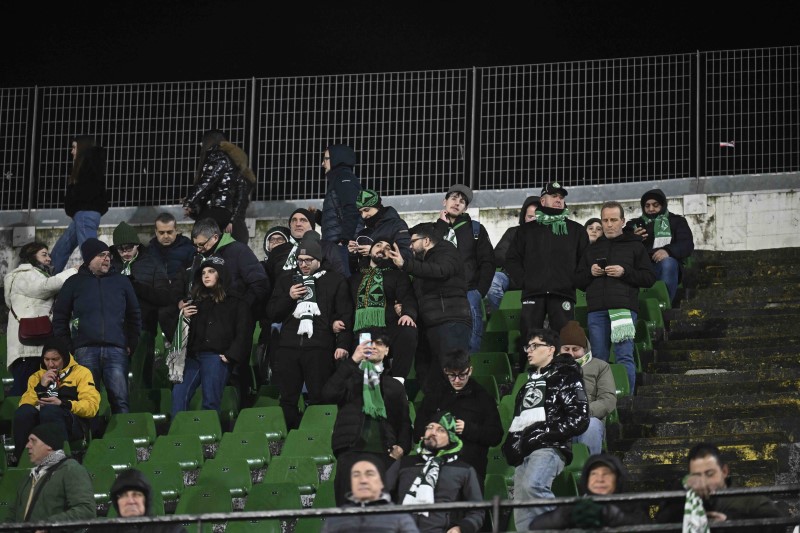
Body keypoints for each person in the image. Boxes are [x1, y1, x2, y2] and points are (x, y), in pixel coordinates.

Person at [502, 328, 589, 530]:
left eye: (535, 346)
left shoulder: (568, 377)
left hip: (549, 447)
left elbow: (579, 418)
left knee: (534, 486)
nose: (529, 351)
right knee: (522, 510)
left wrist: (543, 433)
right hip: (523, 450)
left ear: (551, 349)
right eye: (528, 346)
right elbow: (519, 420)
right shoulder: (526, 385)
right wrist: (511, 444)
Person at [266, 233, 353, 429]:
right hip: (289, 347)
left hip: (319, 347)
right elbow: (272, 313)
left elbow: (344, 315)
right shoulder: (287, 280)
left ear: (318, 259)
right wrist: (289, 297)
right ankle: (290, 438)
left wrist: (342, 344)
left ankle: (319, 437)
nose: (303, 264)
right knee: (287, 398)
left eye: (308, 260)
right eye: (300, 260)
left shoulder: (334, 280)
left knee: (320, 397)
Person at [505, 182, 589, 370]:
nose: (558, 200)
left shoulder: (576, 230)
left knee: (564, 338)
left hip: (563, 293)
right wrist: (525, 281)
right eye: (554, 196)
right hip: (533, 293)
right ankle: (527, 375)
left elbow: (585, 260)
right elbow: (511, 259)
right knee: (530, 338)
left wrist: (573, 281)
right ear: (543, 201)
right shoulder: (526, 230)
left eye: (561, 197)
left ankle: (564, 374)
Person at [321, 331, 412, 505]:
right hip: (350, 451)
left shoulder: (394, 385)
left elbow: (404, 422)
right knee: (348, 510)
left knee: (381, 512)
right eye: (370, 343)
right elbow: (327, 394)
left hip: (385, 455)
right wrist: (353, 361)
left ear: (387, 351)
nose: (374, 347)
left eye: (379, 344)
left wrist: (402, 448)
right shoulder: (349, 379)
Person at [52, 238, 141, 414]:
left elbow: (134, 314)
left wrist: (131, 342)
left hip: (116, 350)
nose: (107, 258)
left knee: (121, 402)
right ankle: (91, 432)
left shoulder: (121, 281)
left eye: (108, 255)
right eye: (101, 255)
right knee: (86, 401)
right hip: (84, 351)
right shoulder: (73, 282)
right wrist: (69, 347)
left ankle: (120, 432)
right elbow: (60, 317)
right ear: (89, 258)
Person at [575, 201, 656, 393]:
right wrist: (590, 272)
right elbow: (578, 280)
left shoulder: (635, 246)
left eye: (613, 220)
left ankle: (627, 399)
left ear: (623, 221)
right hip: (597, 310)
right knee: (598, 358)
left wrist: (624, 272)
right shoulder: (591, 248)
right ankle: (601, 400)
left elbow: (649, 278)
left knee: (624, 356)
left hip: (623, 308)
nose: (609, 224)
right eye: (605, 220)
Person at [386, 222, 471, 386]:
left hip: (450, 321)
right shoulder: (420, 265)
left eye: (413, 242)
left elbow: (441, 270)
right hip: (429, 325)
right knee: (428, 376)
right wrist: (406, 311)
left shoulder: (446, 250)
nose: (410, 247)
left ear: (426, 241)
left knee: (452, 371)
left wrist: (405, 265)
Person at [414, 349, 503, 490]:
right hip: (436, 468)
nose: (457, 380)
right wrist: (434, 431)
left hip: (470, 469)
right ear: (445, 371)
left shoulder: (483, 398)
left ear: (470, 370)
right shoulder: (434, 395)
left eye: (462, 375)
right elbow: (418, 431)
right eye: (452, 375)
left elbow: (496, 435)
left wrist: (468, 429)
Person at [171, 258, 251, 416]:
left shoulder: (236, 301)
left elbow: (244, 331)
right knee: (178, 395)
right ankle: (178, 430)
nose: (206, 276)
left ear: (221, 274)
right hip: (193, 357)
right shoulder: (195, 301)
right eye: (203, 273)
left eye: (211, 271)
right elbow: (177, 330)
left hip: (216, 357)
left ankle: (209, 432)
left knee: (210, 401)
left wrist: (231, 355)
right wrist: (183, 317)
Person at [386, 411, 485, 533]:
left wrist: (461, 528)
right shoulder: (405, 463)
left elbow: (477, 511)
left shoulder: (464, 470)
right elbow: (380, 496)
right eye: (430, 427)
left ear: (451, 438)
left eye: (441, 430)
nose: (433, 432)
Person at [656, 443, 789, 532]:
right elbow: (661, 524)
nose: (703, 481)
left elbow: (778, 527)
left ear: (724, 471)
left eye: (710, 474)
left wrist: (730, 523)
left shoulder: (749, 499)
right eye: (697, 476)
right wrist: (682, 486)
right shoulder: (686, 501)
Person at [4, 242, 78, 396]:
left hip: (34, 348)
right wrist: (73, 271)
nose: (49, 258)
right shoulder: (23, 274)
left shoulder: (36, 274)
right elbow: (44, 287)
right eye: (44, 255)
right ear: (31, 257)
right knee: (24, 391)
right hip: (26, 352)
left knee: (38, 392)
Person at [13, 338, 100, 462]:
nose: (50, 364)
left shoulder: (82, 373)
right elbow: (24, 404)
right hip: (42, 421)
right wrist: (41, 386)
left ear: (64, 357)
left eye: (55, 359)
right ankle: (20, 459)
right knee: (24, 413)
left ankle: (58, 461)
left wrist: (63, 404)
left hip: (71, 421)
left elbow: (91, 407)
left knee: (50, 411)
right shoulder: (36, 377)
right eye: (46, 359)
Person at [434, 184, 495, 353]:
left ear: (465, 208)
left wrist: (479, 291)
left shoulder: (475, 229)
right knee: (442, 342)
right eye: (453, 198)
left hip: (468, 292)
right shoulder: (433, 230)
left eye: (462, 202)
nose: (457, 203)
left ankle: (468, 367)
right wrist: (440, 225)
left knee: (471, 341)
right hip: (440, 294)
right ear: (444, 202)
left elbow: (488, 262)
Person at [349, 238, 418, 380]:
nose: (382, 249)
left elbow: (407, 297)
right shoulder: (355, 278)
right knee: (370, 381)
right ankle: (371, 387)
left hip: (389, 327)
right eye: (378, 245)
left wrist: (407, 314)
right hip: (364, 331)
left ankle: (398, 381)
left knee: (408, 330)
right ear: (370, 251)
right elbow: (346, 306)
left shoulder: (398, 275)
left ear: (391, 255)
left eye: (387, 248)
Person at [8, 422, 96, 525]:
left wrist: (48, 525)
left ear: (49, 445)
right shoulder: (30, 476)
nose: (27, 445)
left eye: (33, 441)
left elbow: (86, 511)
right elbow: (13, 514)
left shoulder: (71, 470)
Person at [531, 453, 648, 529]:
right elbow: (535, 526)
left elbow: (646, 526)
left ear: (618, 479)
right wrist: (567, 516)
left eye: (606, 474)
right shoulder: (574, 507)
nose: (599, 479)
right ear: (586, 479)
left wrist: (612, 515)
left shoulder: (633, 505)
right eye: (594, 474)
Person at [182, 130, 255, 243]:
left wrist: (190, 202)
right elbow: (241, 200)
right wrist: (232, 220)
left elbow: (207, 181)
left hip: (216, 212)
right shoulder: (236, 168)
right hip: (231, 219)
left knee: (201, 243)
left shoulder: (218, 156)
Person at [50, 135, 109, 273]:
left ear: (82, 148)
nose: (72, 151)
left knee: (90, 252)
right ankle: (48, 275)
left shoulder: (87, 167)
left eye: (74, 147)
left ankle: (98, 277)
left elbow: (82, 193)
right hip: (83, 214)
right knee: (63, 247)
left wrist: (73, 206)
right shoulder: (92, 166)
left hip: (84, 213)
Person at [625, 188, 695, 303]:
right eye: (647, 206)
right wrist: (633, 238)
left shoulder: (676, 221)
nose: (651, 209)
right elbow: (621, 245)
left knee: (668, 263)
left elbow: (686, 244)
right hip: (641, 267)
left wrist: (668, 251)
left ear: (662, 205)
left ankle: (664, 304)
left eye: (655, 205)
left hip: (662, 266)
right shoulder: (634, 225)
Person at [559, 320, 616, 455]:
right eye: (566, 349)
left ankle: (590, 466)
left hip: (587, 419)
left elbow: (608, 399)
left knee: (591, 426)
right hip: (558, 420)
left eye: (575, 349)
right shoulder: (550, 368)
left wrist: (582, 412)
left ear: (584, 349)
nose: (571, 354)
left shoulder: (601, 366)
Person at [321, 458, 419, 533]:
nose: (363, 480)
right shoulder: (335, 519)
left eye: (370, 474)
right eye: (356, 475)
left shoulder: (400, 518)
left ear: (381, 482)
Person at [111, 221, 173, 337]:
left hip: (143, 326)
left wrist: (137, 287)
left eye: (129, 247)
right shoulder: (109, 262)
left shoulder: (153, 263)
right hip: (113, 326)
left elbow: (164, 296)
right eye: (120, 249)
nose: (125, 252)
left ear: (137, 245)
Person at [264, 209, 346, 287]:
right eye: (294, 220)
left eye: (303, 220)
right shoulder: (277, 251)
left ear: (312, 225)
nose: (298, 224)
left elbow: (340, 276)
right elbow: (269, 283)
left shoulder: (327, 247)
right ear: (290, 225)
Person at [147, 212, 196, 343]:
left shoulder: (189, 249)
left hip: (181, 297)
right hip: (157, 298)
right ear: (156, 232)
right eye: (161, 233)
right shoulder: (149, 251)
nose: (166, 236)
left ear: (176, 230)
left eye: (169, 232)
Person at [487, 195, 539, 314]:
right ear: (524, 217)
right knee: (493, 281)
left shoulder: (549, 236)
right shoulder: (513, 232)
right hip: (511, 276)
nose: (534, 220)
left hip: (538, 279)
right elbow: (498, 255)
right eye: (530, 216)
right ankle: (500, 317)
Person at [93, 468, 188, 532]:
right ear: (116, 502)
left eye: (136, 495)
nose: (130, 501)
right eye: (124, 496)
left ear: (146, 500)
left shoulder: (170, 530)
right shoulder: (99, 531)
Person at [321, 144, 362, 277]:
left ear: (337, 159)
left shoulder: (344, 177)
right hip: (337, 245)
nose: (323, 163)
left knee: (343, 282)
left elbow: (352, 209)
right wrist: (318, 216)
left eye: (326, 159)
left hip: (342, 247)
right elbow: (337, 217)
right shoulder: (339, 178)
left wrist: (344, 240)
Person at [348, 188, 412, 271]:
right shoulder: (363, 233)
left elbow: (407, 254)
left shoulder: (396, 225)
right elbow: (355, 270)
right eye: (360, 212)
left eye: (366, 210)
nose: (363, 215)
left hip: (392, 276)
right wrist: (352, 254)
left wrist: (374, 252)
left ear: (377, 207)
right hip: (367, 278)